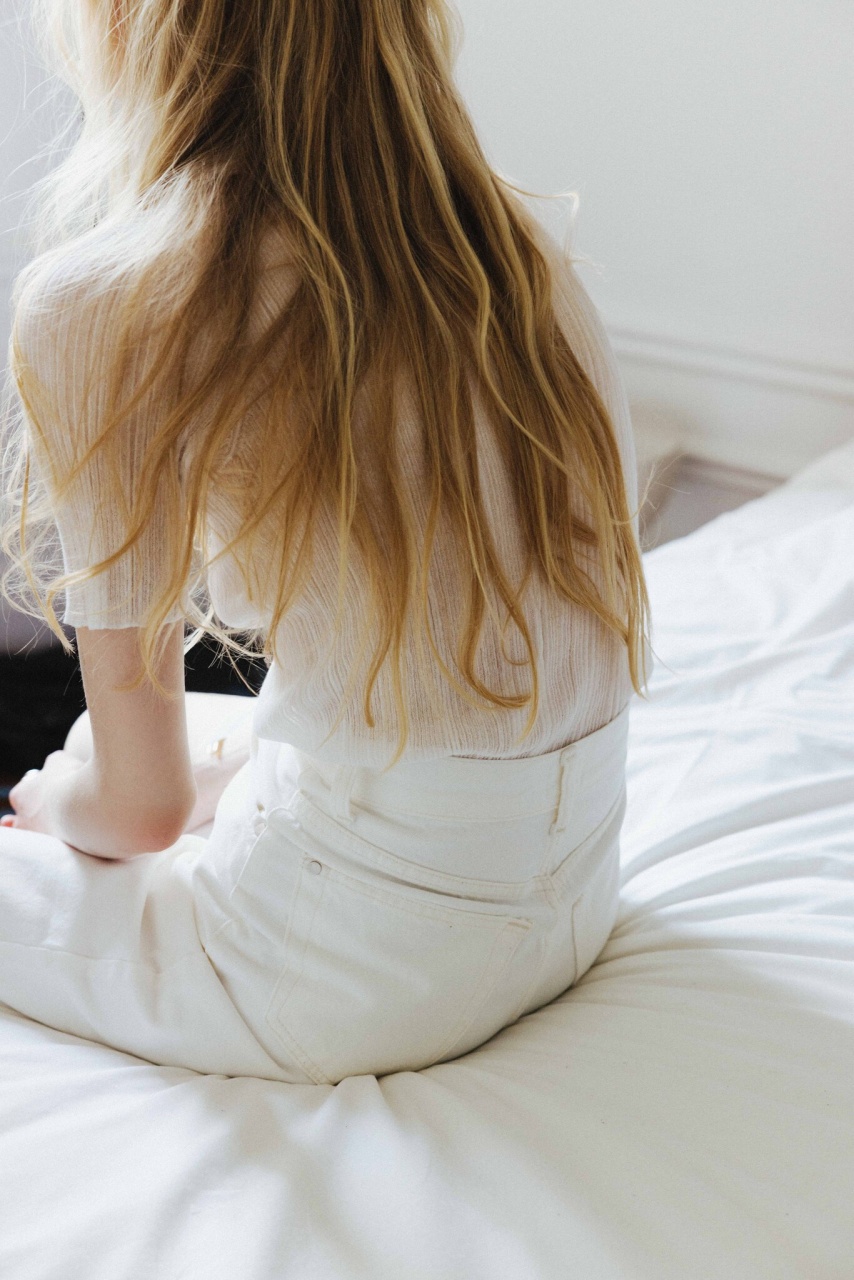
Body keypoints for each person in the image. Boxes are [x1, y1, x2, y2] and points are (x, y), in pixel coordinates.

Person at [0, 0, 650, 1085]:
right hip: (572, 898)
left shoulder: (106, 299)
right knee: (146, 740)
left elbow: (143, 811)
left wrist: (48, 802)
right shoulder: (515, 248)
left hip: (342, 980)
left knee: (85, 772)